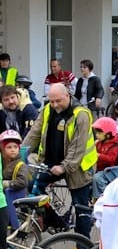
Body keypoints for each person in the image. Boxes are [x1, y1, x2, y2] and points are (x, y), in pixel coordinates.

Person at [23, 83, 97, 237]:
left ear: (67, 96)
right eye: (52, 101)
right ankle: (52, 220)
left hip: (78, 168)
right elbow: (34, 133)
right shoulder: (48, 109)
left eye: (58, 101)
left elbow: (77, 149)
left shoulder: (81, 115)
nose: (55, 105)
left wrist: (64, 167)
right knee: (33, 188)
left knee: (80, 207)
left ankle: (83, 246)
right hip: (50, 162)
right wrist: (21, 153)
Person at [1, 130, 29, 243]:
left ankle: (15, 228)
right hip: (5, 193)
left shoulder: (20, 164)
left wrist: (7, 183)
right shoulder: (3, 162)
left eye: (15, 147)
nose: (13, 149)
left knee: (7, 214)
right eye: (9, 147)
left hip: (15, 194)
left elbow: (23, 182)